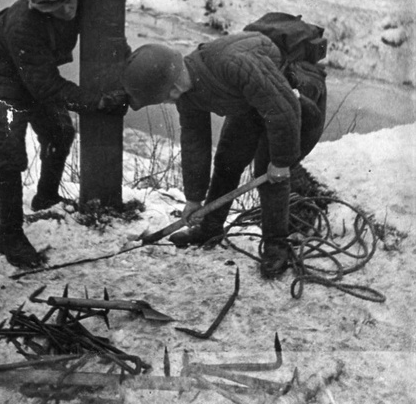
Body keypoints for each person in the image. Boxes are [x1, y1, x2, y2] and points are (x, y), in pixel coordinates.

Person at [0, 0, 126, 268]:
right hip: (1, 78)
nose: (67, 10)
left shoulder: (81, 0)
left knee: (60, 133)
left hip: (32, 73)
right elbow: (47, 86)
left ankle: (46, 197)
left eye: (69, 0)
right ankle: (9, 235)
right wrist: (97, 102)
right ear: (39, 7)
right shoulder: (23, 25)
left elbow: (107, 38)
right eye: (56, 7)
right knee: (10, 154)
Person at [122, 31, 327, 279]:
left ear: (172, 88)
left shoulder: (232, 63)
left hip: (294, 101)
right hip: (252, 104)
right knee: (227, 162)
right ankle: (210, 228)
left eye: (162, 98)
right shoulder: (187, 94)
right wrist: (194, 199)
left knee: (268, 174)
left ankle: (276, 246)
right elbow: (195, 143)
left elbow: (283, 109)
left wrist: (282, 162)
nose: (165, 102)